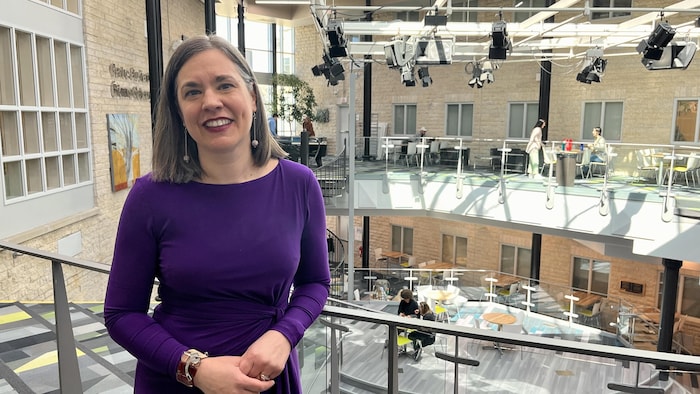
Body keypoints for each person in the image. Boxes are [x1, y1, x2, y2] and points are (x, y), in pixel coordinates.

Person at [103, 35, 331, 393]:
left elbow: (315, 283)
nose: (211, 101)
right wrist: (194, 369)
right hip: (175, 381)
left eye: (225, 85)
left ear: (253, 97)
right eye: (192, 92)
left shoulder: (299, 184)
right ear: (178, 112)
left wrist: (284, 335)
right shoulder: (151, 195)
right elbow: (121, 314)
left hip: (267, 378)